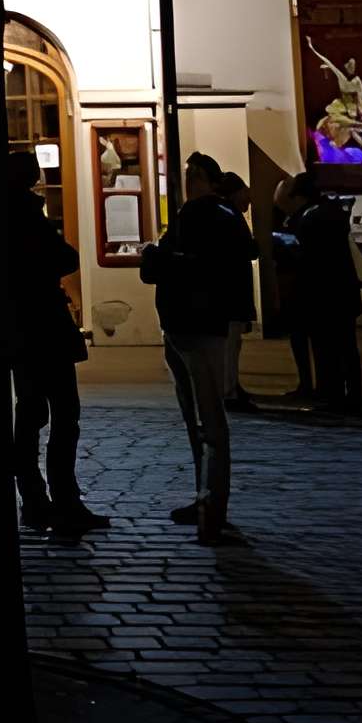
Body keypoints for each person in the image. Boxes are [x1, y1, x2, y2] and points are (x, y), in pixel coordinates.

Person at [140, 150, 255, 544]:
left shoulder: (210, 215)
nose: (185, 180)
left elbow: (195, 264)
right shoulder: (208, 215)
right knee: (198, 417)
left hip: (197, 323)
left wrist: (161, 257)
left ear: (206, 178)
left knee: (208, 419)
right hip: (187, 323)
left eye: (191, 173)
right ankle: (204, 496)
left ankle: (212, 503)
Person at [7, 150, 108, 537]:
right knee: (63, 414)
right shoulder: (27, 214)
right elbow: (64, 257)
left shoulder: (4, 214)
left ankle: (34, 498)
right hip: (43, 325)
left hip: (20, 327)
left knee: (30, 414)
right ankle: (62, 500)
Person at [274, 170, 362, 415]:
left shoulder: (309, 219)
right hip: (341, 291)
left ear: (298, 197)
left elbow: (305, 257)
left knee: (328, 348)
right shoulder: (330, 212)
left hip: (323, 294)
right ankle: (350, 395)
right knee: (345, 347)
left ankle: (333, 395)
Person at [218, 171, 260, 413]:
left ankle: (232, 386)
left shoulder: (226, 214)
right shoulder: (230, 216)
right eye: (245, 192)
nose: (249, 199)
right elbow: (248, 249)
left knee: (231, 344)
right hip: (232, 291)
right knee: (230, 344)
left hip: (231, 291)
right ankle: (229, 390)